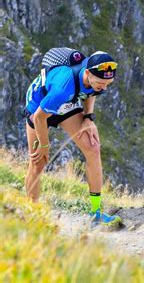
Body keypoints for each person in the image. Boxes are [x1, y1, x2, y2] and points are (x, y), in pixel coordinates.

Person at [24, 49, 121, 226]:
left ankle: (96, 213)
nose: (104, 88)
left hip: (67, 104)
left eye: (109, 84)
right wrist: (44, 145)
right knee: (38, 162)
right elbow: (39, 117)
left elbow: (92, 92)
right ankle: (31, 216)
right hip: (40, 105)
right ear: (87, 73)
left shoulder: (95, 74)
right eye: (101, 83)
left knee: (93, 148)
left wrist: (88, 118)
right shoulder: (63, 86)